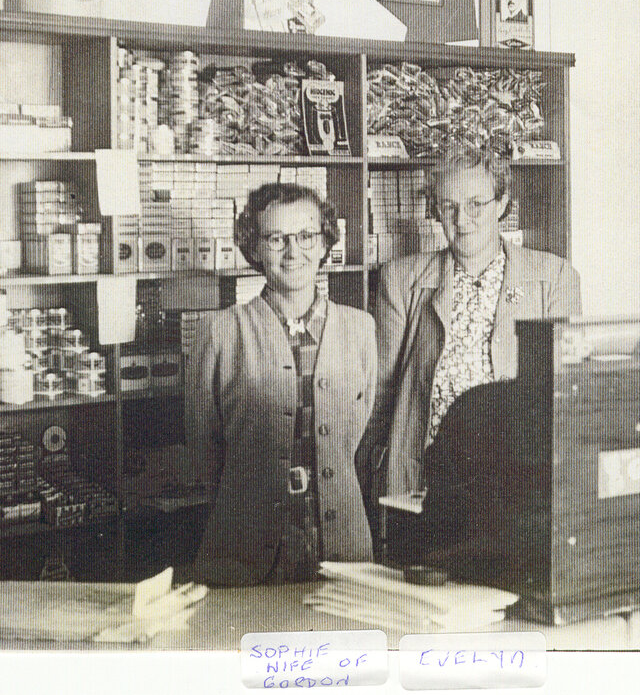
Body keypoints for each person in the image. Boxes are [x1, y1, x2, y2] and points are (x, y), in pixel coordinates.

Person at [360, 142, 582, 511]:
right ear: (437, 210)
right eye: (449, 206)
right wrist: (371, 476)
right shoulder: (400, 279)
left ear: (502, 204)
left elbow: (567, 389)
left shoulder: (554, 277)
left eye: (476, 204)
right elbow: (379, 390)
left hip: (518, 473)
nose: (462, 220)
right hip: (428, 474)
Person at [185, 183, 376, 586]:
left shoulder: (360, 328)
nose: (293, 252)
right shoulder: (220, 331)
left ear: (324, 243)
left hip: (342, 541)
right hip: (245, 543)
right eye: (276, 238)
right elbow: (204, 447)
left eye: (306, 236)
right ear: (254, 248)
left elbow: (357, 433)